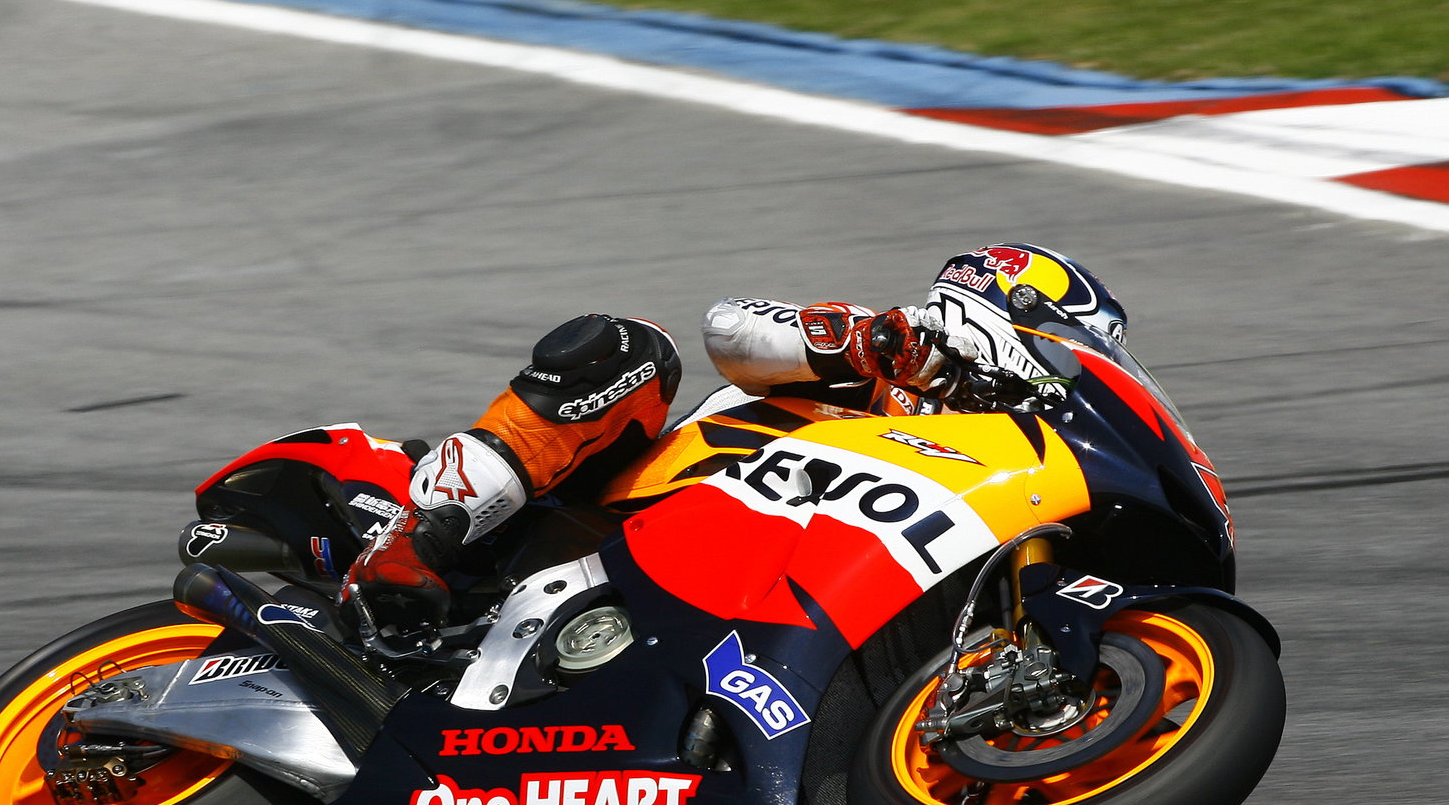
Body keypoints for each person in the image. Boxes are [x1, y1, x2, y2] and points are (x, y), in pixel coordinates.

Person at [339, 243, 1127, 628]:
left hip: (747, 601)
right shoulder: (885, 364)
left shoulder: (1007, 459)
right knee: (628, 349)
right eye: (1078, 341)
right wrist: (873, 344)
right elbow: (729, 328)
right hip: (618, 515)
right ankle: (417, 535)